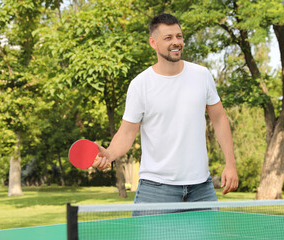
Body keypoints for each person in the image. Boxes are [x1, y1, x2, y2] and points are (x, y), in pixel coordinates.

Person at [92, 13, 238, 204]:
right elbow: (127, 133)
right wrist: (108, 154)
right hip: (156, 189)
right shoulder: (140, 85)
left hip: (201, 188)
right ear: (153, 43)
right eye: (168, 38)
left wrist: (231, 163)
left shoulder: (202, 75)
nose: (176, 42)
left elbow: (219, 119)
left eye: (179, 36)